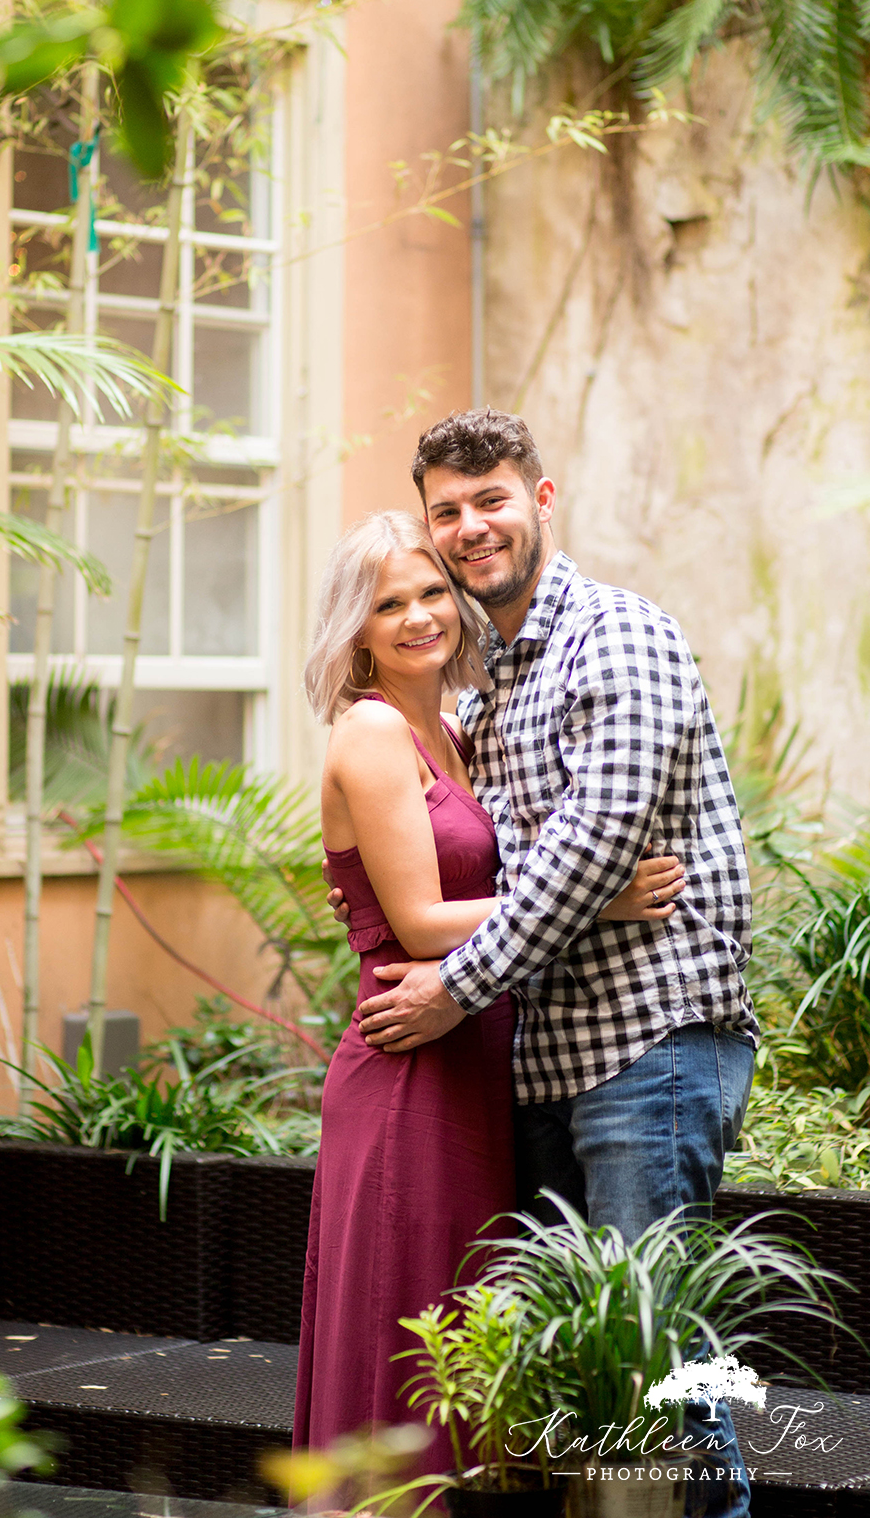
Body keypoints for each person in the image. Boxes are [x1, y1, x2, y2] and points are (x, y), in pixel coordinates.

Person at [335, 410, 759, 1518]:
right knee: (575, 1372)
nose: (471, 529)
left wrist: (454, 988)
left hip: (651, 1046)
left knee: (655, 1350)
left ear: (542, 498)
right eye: (447, 512)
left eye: (492, 500)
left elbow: (589, 849)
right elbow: (509, 866)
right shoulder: (482, 689)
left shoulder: (617, 637)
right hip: (539, 1065)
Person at [296, 508, 684, 1475]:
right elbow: (425, 919)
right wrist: (598, 898)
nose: (421, 615)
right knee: (411, 1332)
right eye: (390, 603)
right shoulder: (374, 730)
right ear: (356, 629)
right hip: (409, 1070)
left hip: (475, 1060)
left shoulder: (456, 732)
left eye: (433, 591)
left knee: (473, 1339)